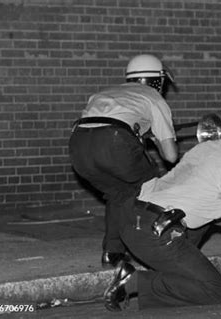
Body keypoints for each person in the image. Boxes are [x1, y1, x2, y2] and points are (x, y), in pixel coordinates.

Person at [102, 96, 221, 311]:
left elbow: (204, 202)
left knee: (204, 223)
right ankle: (133, 281)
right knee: (214, 290)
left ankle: (178, 272)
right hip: (154, 233)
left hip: (133, 220)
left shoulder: (206, 149)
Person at [69, 54, 178, 268]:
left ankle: (113, 252)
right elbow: (171, 155)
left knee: (118, 193)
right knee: (151, 183)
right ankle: (152, 245)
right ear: (157, 80)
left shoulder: (104, 93)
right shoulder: (153, 97)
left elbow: (105, 125)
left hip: (78, 145)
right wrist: (161, 138)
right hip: (115, 141)